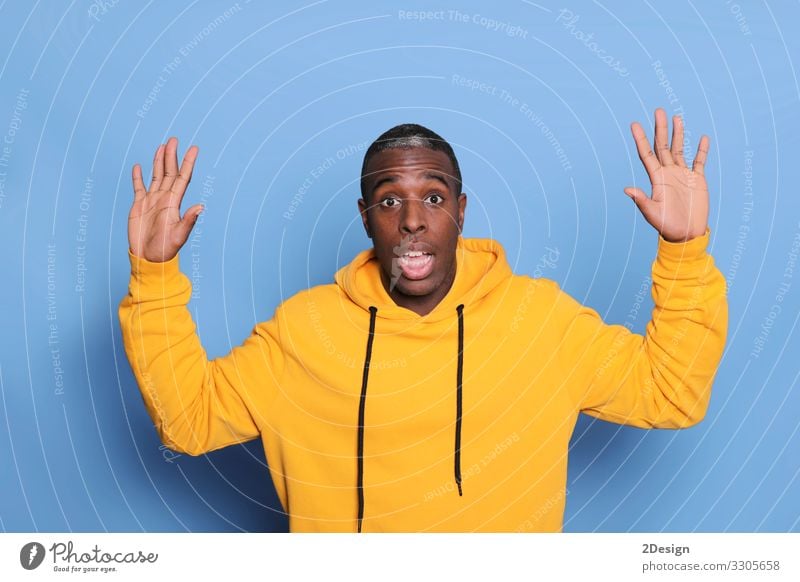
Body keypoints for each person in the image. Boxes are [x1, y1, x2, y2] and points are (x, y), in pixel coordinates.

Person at [119, 108, 728, 532]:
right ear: (366, 217)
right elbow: (189, 421)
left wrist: (685, 250)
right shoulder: (305, 332)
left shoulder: (542, 322)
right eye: (390, 201)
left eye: (433, 198)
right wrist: (154, 279)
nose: (412, 219)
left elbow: (671, 393)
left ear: (461, 212)